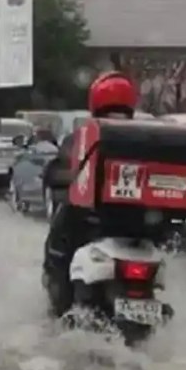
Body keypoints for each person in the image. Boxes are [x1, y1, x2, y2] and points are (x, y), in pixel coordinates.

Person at [41, 71, 138, 316]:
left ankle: (61, 307)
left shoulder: (84, 138)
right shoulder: (148, 137)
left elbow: (56, 174)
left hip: (90, 226)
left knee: (58, 248)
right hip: (138, 228)